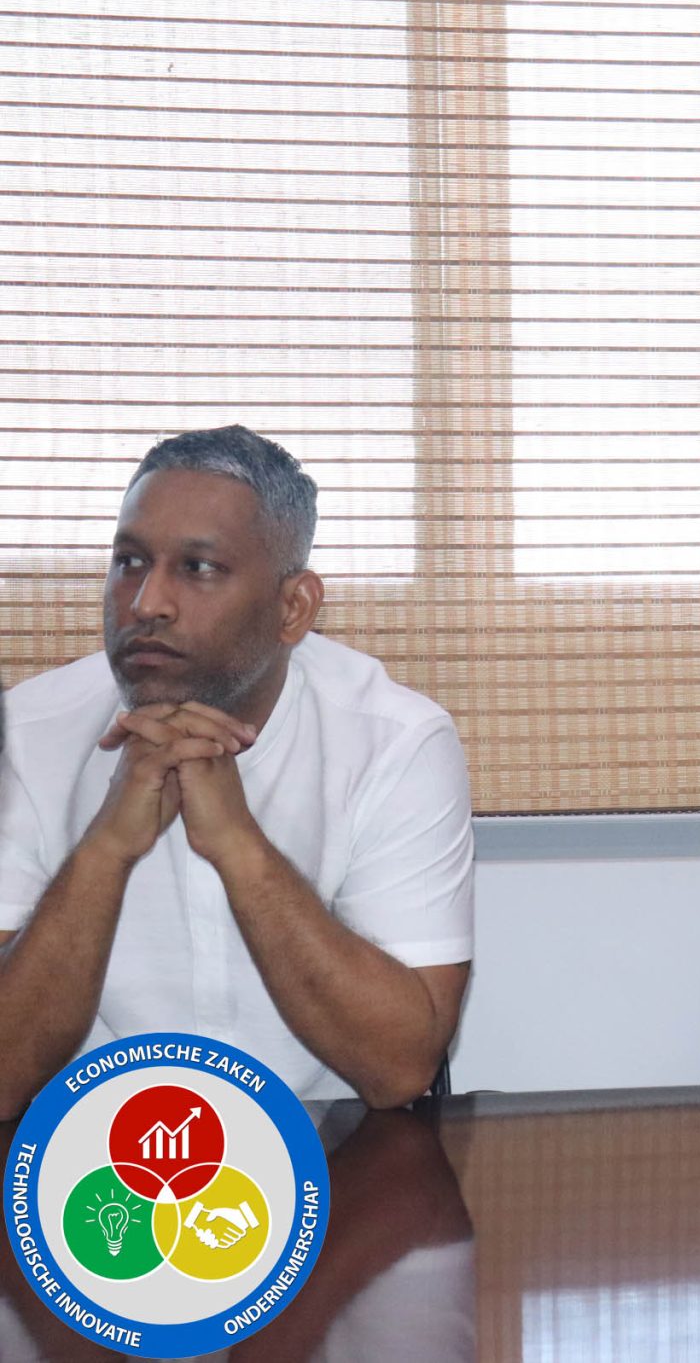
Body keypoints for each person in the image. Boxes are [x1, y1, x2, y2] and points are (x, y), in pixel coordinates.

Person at [0, 426, 474, 1115]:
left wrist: (237, 844)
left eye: (198, 568)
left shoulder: (394, 743)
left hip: (325, 1149)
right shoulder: (28, 734)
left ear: (293, 608)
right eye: (130, 561)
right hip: (96, 1150)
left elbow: (400, 1067)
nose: (146, 603)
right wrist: (106, 847)